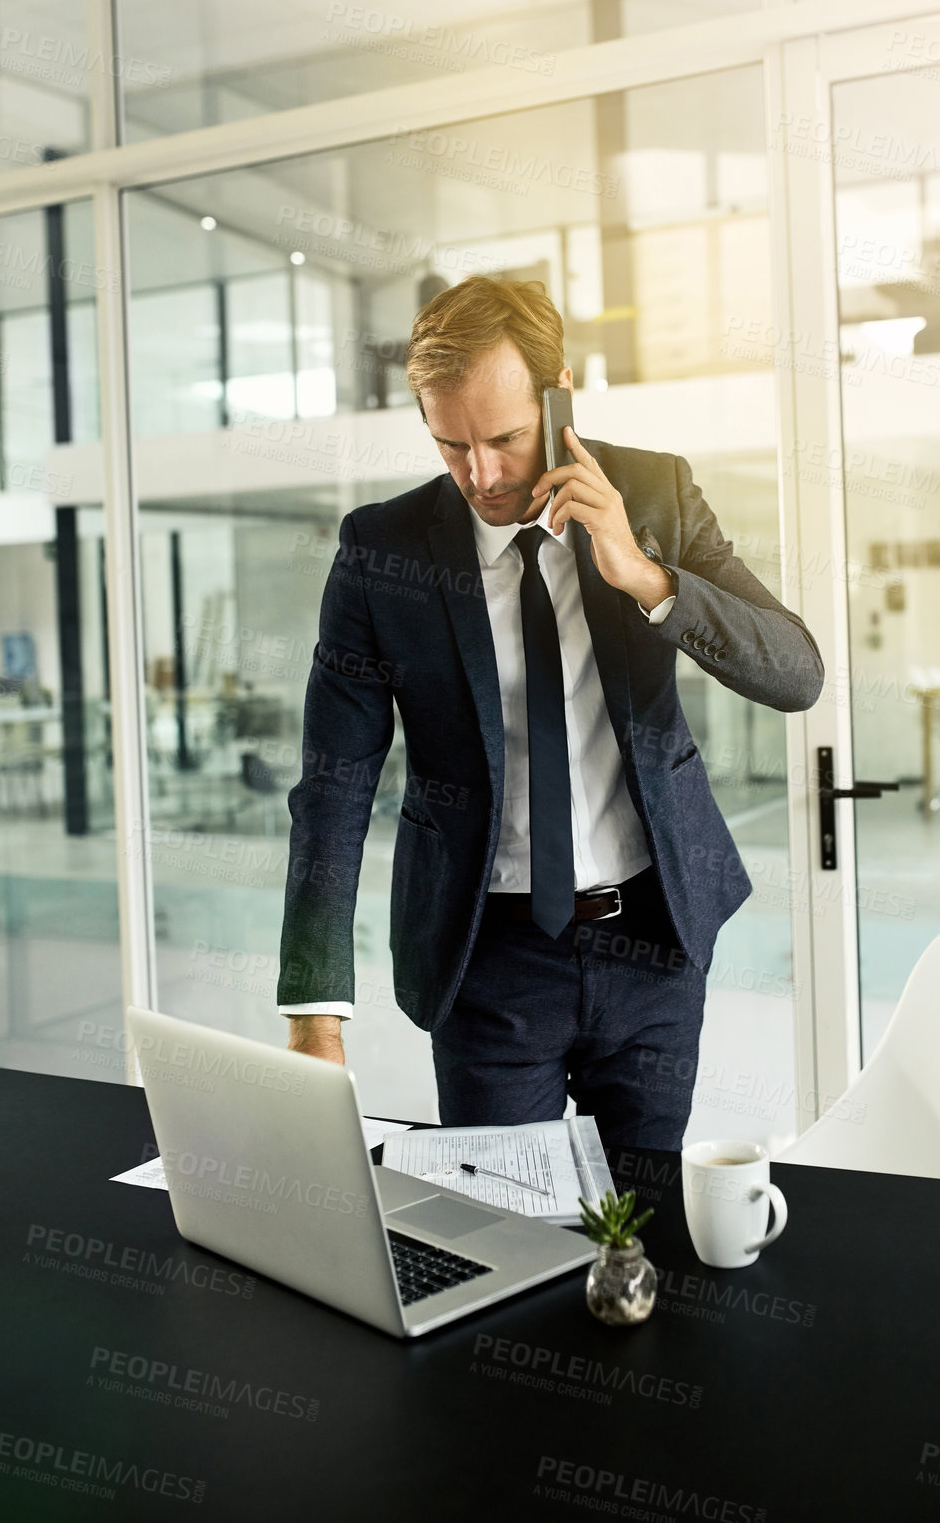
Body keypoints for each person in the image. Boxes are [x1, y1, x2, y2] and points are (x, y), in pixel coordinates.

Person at [278, 276, 823, 1149]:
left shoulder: (653, 495)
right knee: (506, 1235)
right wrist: (315, 1015)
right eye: (450, 443)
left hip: (653, 940)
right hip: (485, 958)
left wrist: (647, 579)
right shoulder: (381, 551)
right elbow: (333, 786)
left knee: (642, 1237)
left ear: (559, 389)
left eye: (505, 438)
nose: (481, 475)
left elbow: (796, 673)